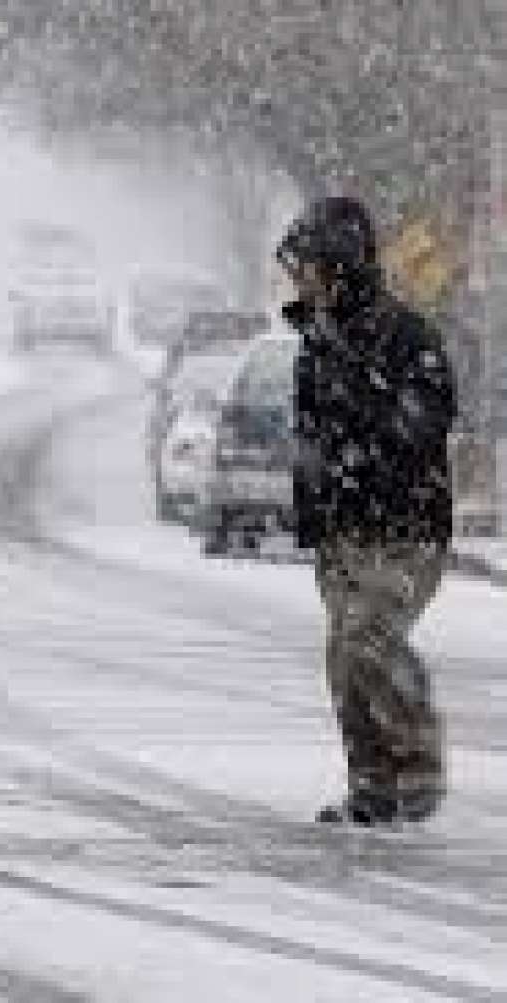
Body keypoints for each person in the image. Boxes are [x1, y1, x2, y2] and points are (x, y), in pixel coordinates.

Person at [277, 196, 457, 827]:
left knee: (370, 640)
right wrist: (314, 521)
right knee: (345, 663)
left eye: (308, 267)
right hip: (344, 535)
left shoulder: (408, 338)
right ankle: (372, 782)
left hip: (407, 532)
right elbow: (307, 439)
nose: (300, 280)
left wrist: (367, 422)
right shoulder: (314, 347)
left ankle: (420, 761)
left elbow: (430, 420)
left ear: (340, 265)